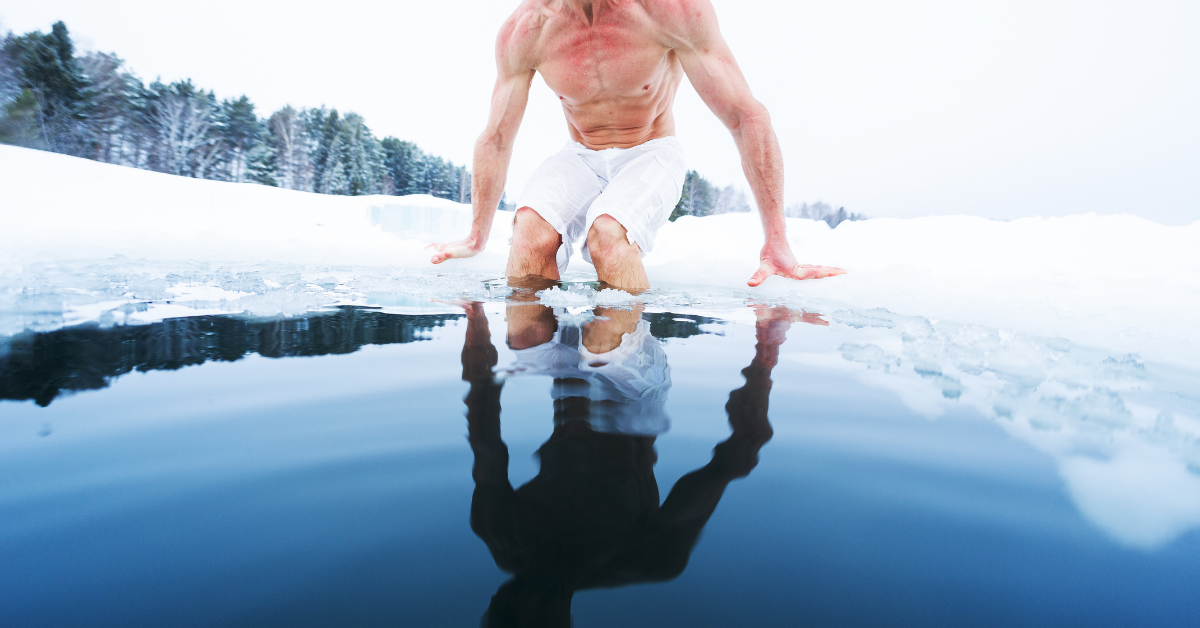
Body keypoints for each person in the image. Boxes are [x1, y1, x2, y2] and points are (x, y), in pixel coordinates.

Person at [429, 0, 846, 291]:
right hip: (580, 153)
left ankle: (625, 387)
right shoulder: (526, 29)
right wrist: (475, 236)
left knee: (609, 236)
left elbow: (745, 116)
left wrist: (777, 240)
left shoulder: (667, 9)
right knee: (529, 232)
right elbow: (496, 139)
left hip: (650, 149)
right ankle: (551, 370)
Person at [455, 300, 817, 626]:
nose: (527, 605)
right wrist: (765, 354)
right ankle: (619, 269)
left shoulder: (499, 529)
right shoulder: (644, 557)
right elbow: (734, 460)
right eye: (535, 624)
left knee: (525, 335)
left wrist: (475, 314)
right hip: (634, 392)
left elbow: (482, 421)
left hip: (568, 384)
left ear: (495, 602)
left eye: (508, 616)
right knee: (601, 345)